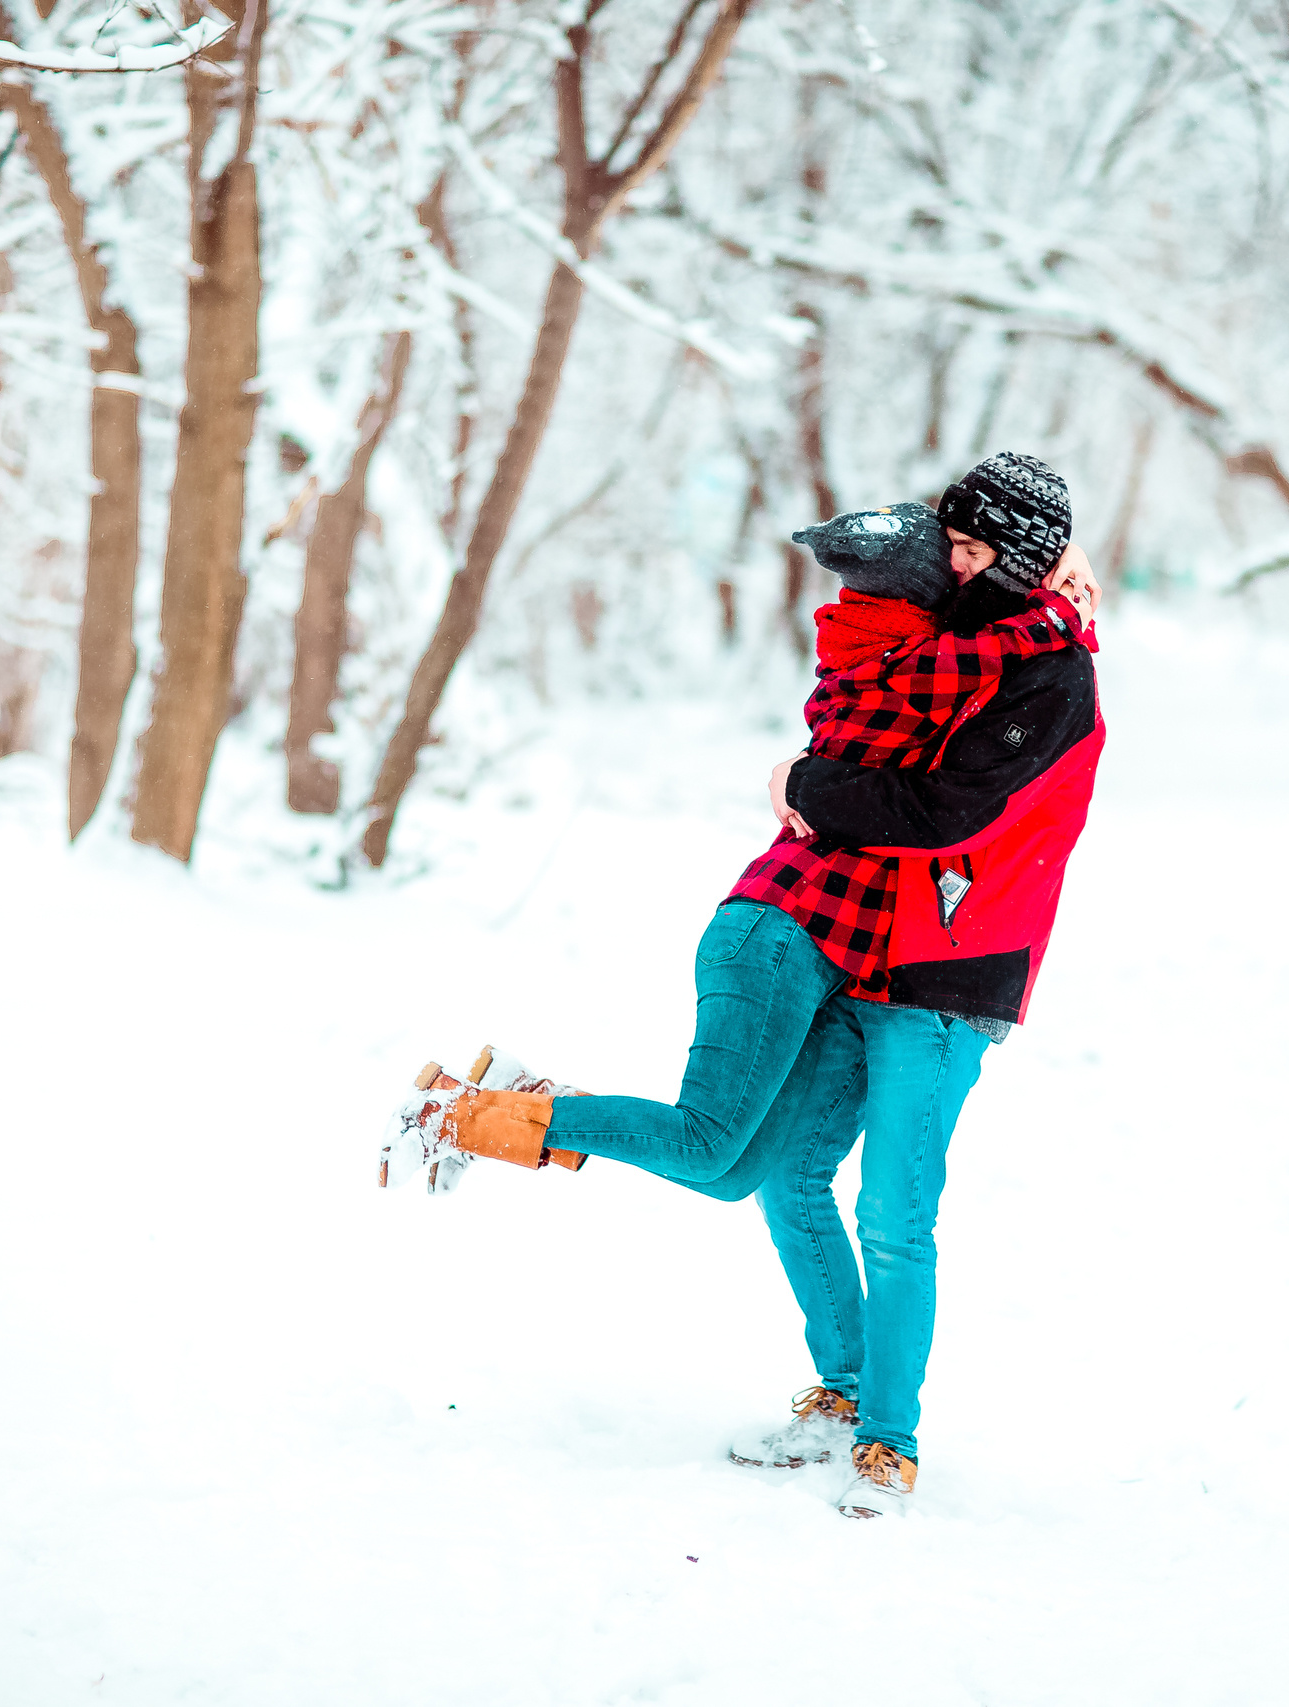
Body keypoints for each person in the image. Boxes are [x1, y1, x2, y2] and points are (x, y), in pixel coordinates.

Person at [381, 452, 1106, 1516]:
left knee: (896, 1216)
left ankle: (888, 1444)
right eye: (947, 545)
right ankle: (845, 1389)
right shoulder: (965, 632)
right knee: (772, 1174)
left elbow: (941, 812)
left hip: (950, 970)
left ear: (1022, 559)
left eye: (971, 549)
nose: (952, 568)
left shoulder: (1050, 671)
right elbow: (875, 675)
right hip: (856, 950)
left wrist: (805, 783)